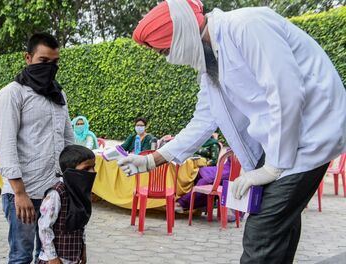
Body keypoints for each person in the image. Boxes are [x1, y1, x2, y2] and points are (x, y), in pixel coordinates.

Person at [123, 0, 346, 262]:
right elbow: (203, 121)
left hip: (311, 135)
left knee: (261, 232)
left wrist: (273, 167)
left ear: (181, 35)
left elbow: (285, 92)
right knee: (277, 227)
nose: (170, 59)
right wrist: (151, 160)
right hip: (284, 144)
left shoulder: (246, 26)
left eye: (166, 51)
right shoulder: (211, 64)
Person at [0, 32, 75, 264]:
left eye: (54, 62)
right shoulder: (12, 93)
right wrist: (19, 193)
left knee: (51, 255)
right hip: (25, 193)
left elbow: (68, 140)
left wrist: (74, 184)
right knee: (21, 256)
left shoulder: (59, 95)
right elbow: (6, 146)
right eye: (43, 61)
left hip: (55, 192)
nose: (49, 67)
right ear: (28, 58)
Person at [37, 145, 97, 264]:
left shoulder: (80, 192)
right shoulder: (56, 194)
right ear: (71, 171)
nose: (93, 172)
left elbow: (81, 225)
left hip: (73, 258)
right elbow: (44, 228)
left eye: (93, 167)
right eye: (86, 169)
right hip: (54, 260)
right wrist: (52, 258)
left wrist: (82, 249)